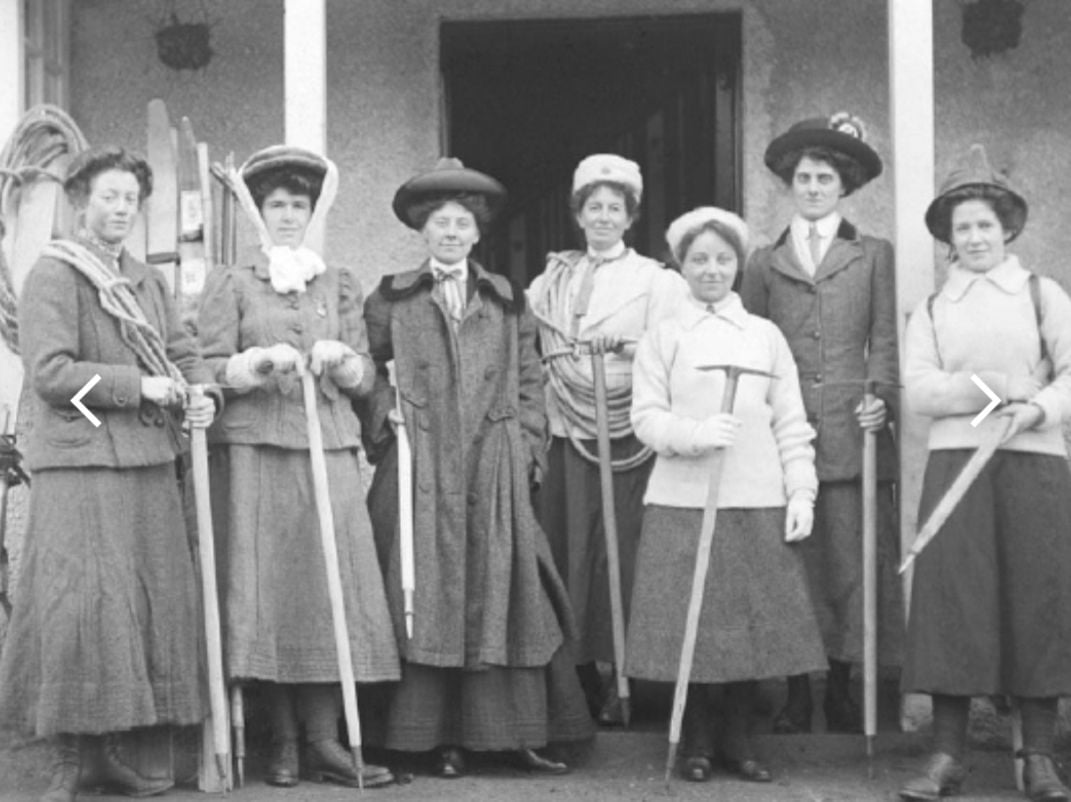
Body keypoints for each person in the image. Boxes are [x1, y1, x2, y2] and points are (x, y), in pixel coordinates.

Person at [359, 157, 594, 778]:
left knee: (507, 591)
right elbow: (364, 375)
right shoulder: (391, 299)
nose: (451, 233)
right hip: (420, 467)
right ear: (422, 230)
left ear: (478, 233)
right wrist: (389, 417)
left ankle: (508, 734)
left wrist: (526, 451)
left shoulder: (508, 300)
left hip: (492, 466)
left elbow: (529, 382)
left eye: (462, 223)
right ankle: (428, 739)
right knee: (422, 595)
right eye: (440, 222)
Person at [0, 146, 217, 801]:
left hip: (147, 464)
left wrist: (204, 390)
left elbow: (182, 352)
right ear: (80, 202)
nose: (121, 209)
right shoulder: (55, 274)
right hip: (80, 462)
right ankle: (64, 761)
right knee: (77, 610)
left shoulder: (145, 281)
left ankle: (104, 756)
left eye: (130, 200)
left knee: (129, 615)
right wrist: (137, 388)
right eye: (109, 197)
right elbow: (52, 376)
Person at [196, 146, 399, 789]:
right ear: (260, 212)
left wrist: (343, 362)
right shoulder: (231, 281)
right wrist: (248, 367)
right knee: (268, 594)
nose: (287, 215)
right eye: (276, 205)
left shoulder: (336, 280)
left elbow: (367, 374)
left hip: (327, 448)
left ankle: (327, 741)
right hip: (257, 450)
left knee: (329, 591)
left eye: (298, 206)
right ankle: (280, 743)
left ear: (313, 213)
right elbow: (201, 365)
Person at [626, 206, 825, 783]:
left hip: (754, 495)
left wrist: (801, 492)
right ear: (680, 266)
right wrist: (691, 436)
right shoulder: (663, 337)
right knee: (696, 627)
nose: (711, 270)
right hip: (682, 499)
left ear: (738, 265)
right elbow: (645, 417)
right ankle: (697, 739)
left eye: (722, 259)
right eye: (698, 259)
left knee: (748, 626)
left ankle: (741, 739)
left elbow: (791, 421)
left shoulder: (764, 337)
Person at [898, 145, 1071, 802]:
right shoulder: (936, 308)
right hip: (953, 468)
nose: (973, 238)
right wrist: (993, 387)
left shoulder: (1040, 294)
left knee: (1037, 600)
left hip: (1033, 466)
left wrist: (1035, 409)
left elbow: (1065, 376)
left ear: (1006, 230)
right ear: (947, 236)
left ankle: (1039, 760)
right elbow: (920, 389)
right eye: (961, 227)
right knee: (952, 603)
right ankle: (945, 756)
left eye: (983, 226)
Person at [740, 113, 902, 734]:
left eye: (824, 177)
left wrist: (881, 397)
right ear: (789, 184)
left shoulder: (873, 256)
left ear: (845, 186)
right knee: (794, 566)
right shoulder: (764, 260)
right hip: (786, 437)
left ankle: (841, 685)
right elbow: (755, 344)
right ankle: (797, 692)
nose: (812, 187)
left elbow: (884, 338)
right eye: (803, 177)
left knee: (848, 564)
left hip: (850, 429)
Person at [527, 154, 688, 724]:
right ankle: (580, 677)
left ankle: (635, 675)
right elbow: (531, 351)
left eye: (613, 207)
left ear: (630, 216)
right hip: (568, 431)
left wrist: (629, 346)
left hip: (629, 435)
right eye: (593, 206)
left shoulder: (658, 281)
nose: (603, 216)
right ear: (578, 214)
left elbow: (678, 350)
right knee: (573, 550)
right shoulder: (549, 282)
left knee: (627, 552)